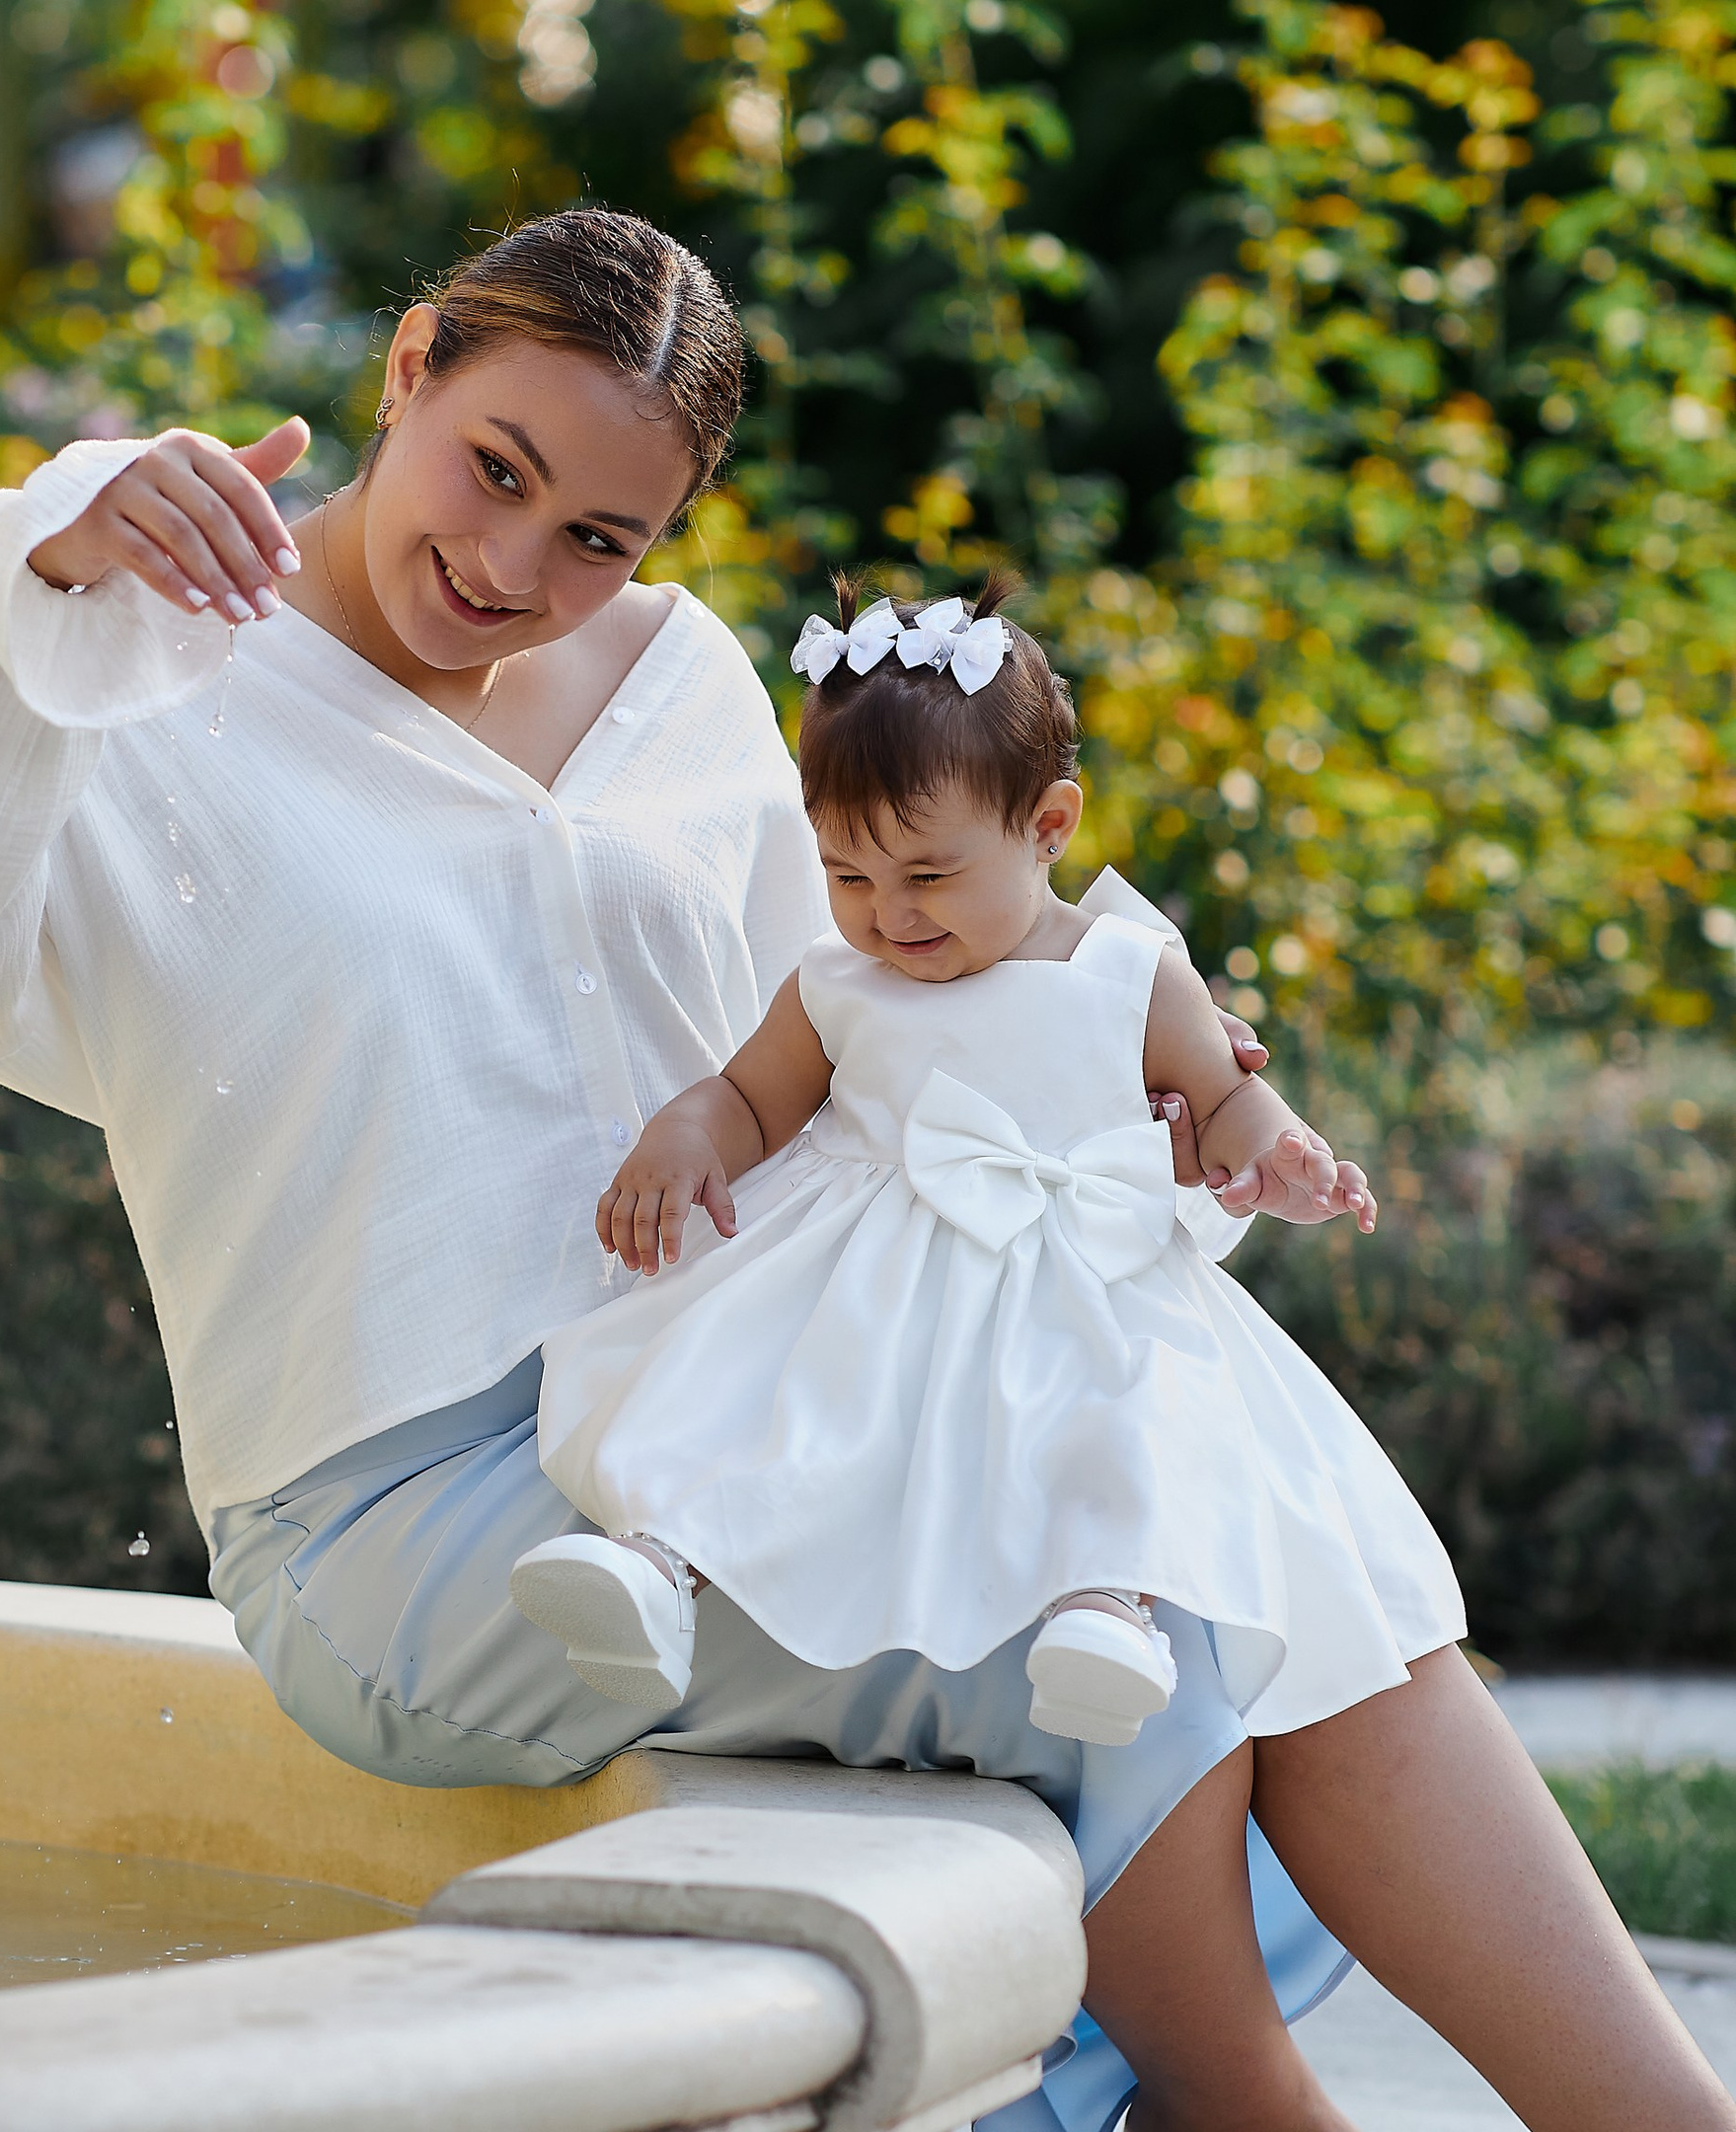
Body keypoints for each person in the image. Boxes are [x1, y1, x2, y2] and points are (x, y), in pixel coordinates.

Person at [0, 202, 1736, 2132]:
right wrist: (47, 563)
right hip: (432, 1520)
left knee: (1252, 1485)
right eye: (489, 466)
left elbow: (878, 1035)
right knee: (1145, 1574)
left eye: (597, 529)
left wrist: (1139, 1080)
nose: (513, 568)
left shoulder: (688, 685)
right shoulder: (137, 678)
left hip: (760, 1383)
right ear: (404, 366)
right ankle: (1239, 2126)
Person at [511, 578, 1445, 1768]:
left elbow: (1220, 1101)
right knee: (773, 1392)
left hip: (1078, 1267)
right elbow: (753, 1097)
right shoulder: (835, 983)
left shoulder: (1129, 972)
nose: (887, 913)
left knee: (1121, 1415)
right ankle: (657, 1564)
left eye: (928, 875)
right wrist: (689, 1132)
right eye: (847, 876)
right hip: (865, 1261)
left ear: (1048, 826)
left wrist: (1280, 1153)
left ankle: (1108, 1610)